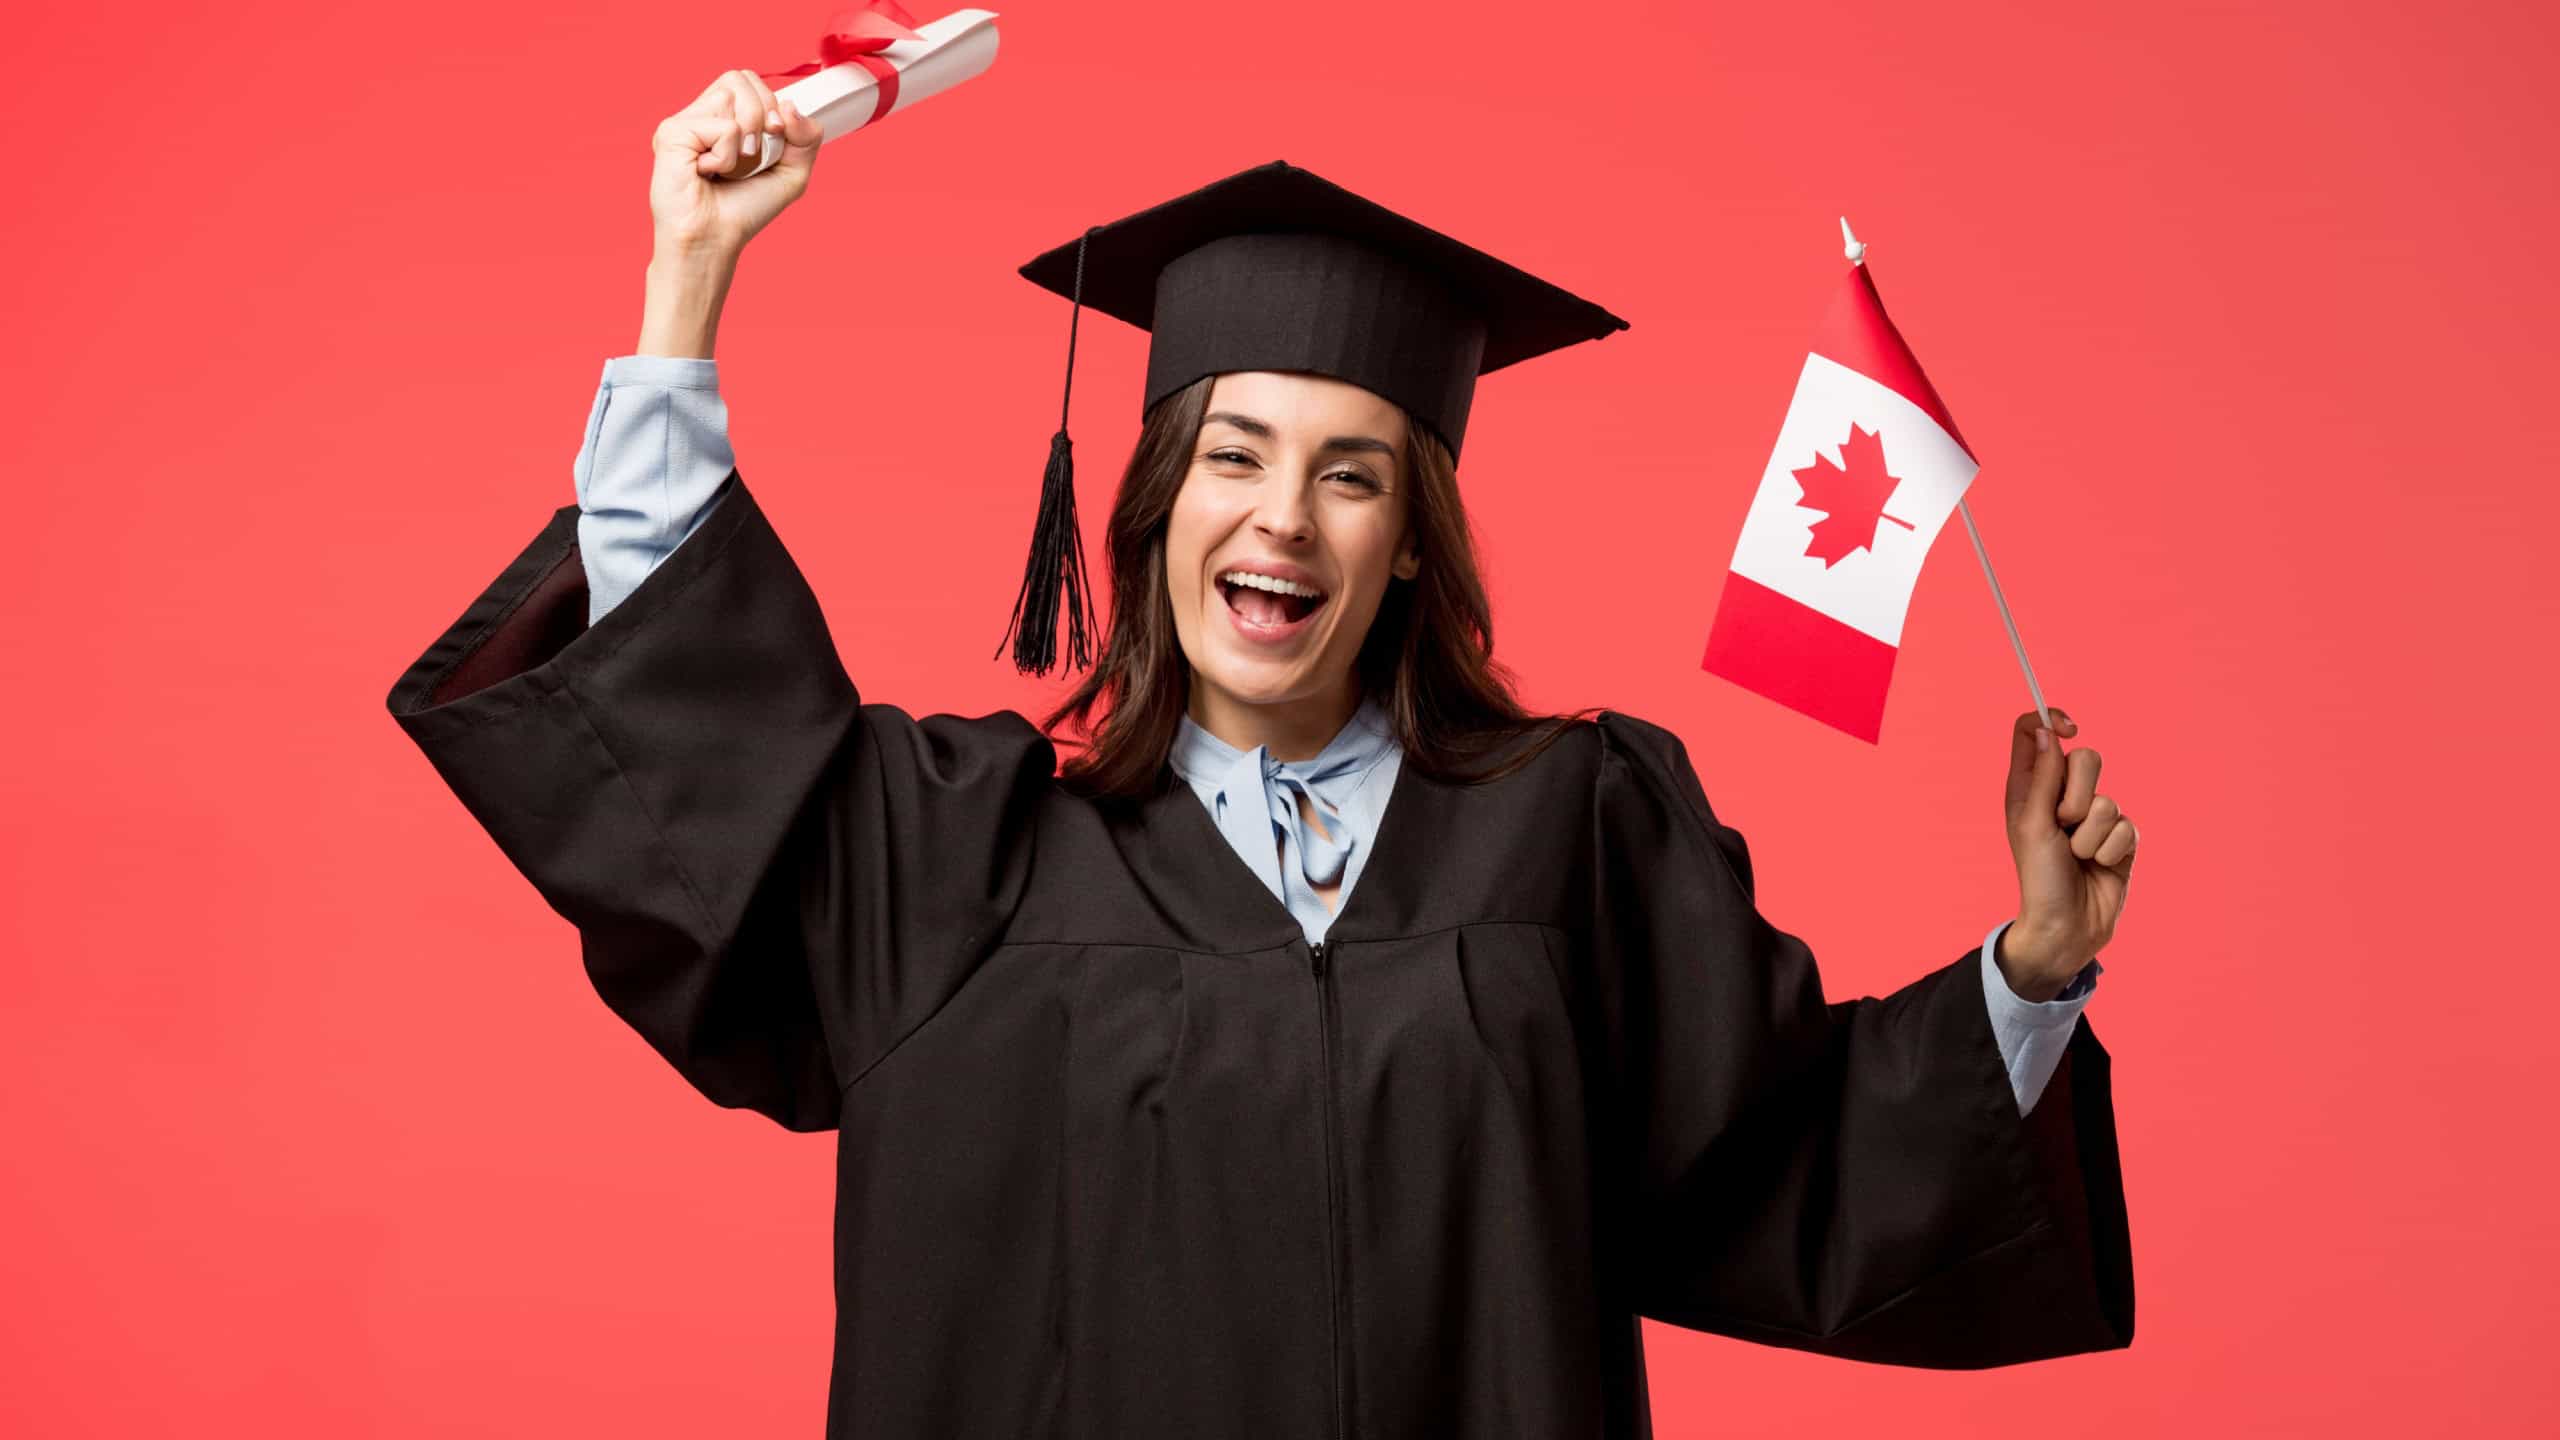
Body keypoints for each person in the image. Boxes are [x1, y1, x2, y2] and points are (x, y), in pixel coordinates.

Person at [386, 70, 2138, 1439]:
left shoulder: (1570, 836)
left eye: (1353, 473)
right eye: (1233, 455)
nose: (1281, 521)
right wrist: (687, 274)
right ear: (1154, 506)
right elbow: (704, 756)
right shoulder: (956, 862)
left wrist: (2039, 966)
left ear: (1411, 540)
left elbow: (1782, 1157)